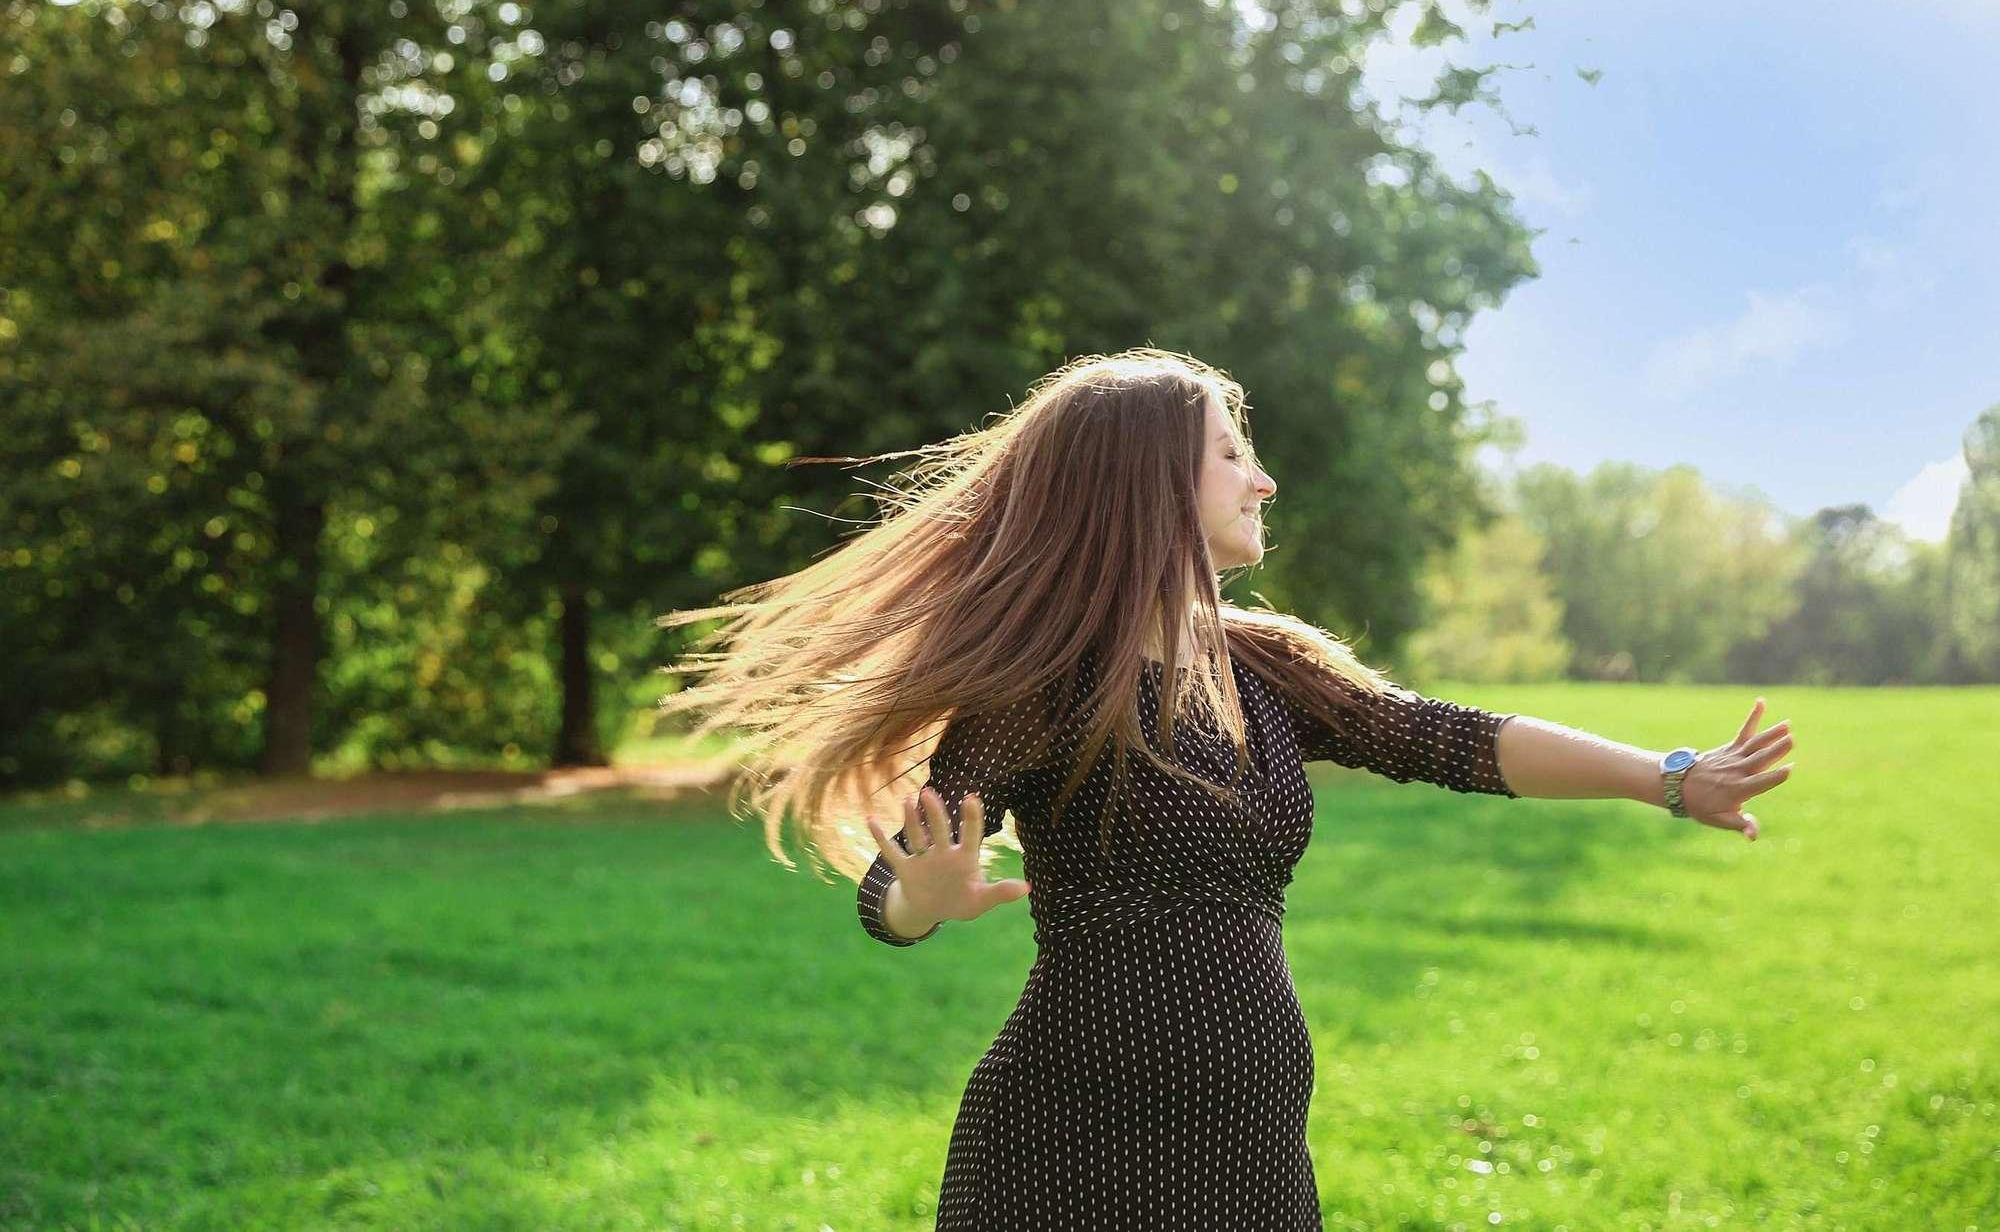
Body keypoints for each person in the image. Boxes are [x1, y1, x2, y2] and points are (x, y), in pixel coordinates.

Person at [656, 348, 1794, 1229]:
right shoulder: (1049, 686)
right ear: (1144, 481)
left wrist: (1666, 776)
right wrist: (926, 894)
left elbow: (1443, 738)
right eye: (1228, 453)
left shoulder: (1262, 665)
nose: (1263, 477)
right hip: (1068, 1148)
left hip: (1248, 1148)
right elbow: (887, 892)